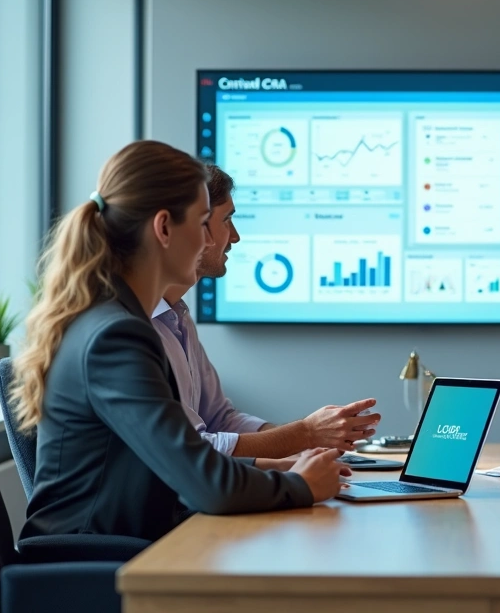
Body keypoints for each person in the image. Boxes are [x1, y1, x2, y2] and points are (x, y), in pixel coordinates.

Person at [11, 141, 347, 542]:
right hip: (92, 563)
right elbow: (205, 482)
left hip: (119, 546)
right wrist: (303, 486)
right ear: (165, 228)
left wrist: (285, 469)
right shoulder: (115, 336)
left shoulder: (113, 319)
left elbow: (191, 460)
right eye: (204, 221)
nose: (211, 240)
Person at [151, 164, 381, 470]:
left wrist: (300, 449)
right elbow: (195, 451)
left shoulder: (177, 317)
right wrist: (305, 435)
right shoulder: (135, 330)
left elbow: (222, 419)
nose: (235, 237)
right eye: (227, 220)